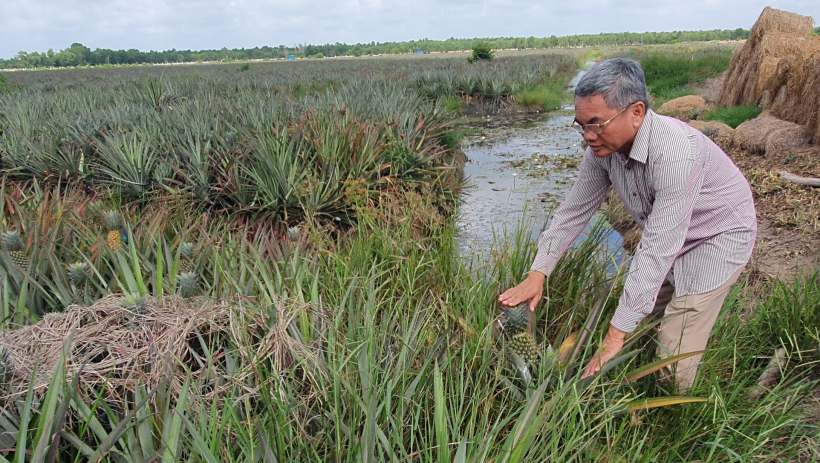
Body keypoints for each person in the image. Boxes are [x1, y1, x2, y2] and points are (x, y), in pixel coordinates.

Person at [498, 58, 757, 392]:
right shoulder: (601, 149)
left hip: (717, 236)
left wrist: (613, 335)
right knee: (648, 323)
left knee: (673, 357)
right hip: (669, 232)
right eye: (581, 126)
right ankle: (640, 381)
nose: (588, 137)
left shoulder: (676, 154)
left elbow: (658, 247)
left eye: (596, 124)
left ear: (636, 112)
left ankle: (675, 419)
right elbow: (573, 212)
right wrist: (538, 272)